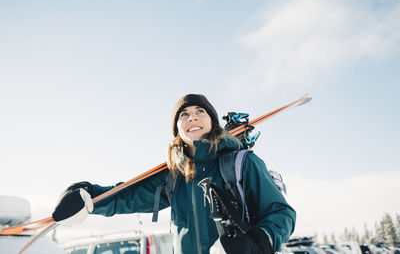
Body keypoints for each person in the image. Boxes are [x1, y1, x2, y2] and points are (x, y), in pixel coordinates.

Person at [52, 94, 296, 254]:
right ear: (177, 129)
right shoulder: (175, 176)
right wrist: (88, 197)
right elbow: (127, 195)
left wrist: (256, 243)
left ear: (212, 121)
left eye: (200, 111)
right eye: (184, 114)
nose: (192, 117)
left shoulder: (241, 163)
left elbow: (282, 213)